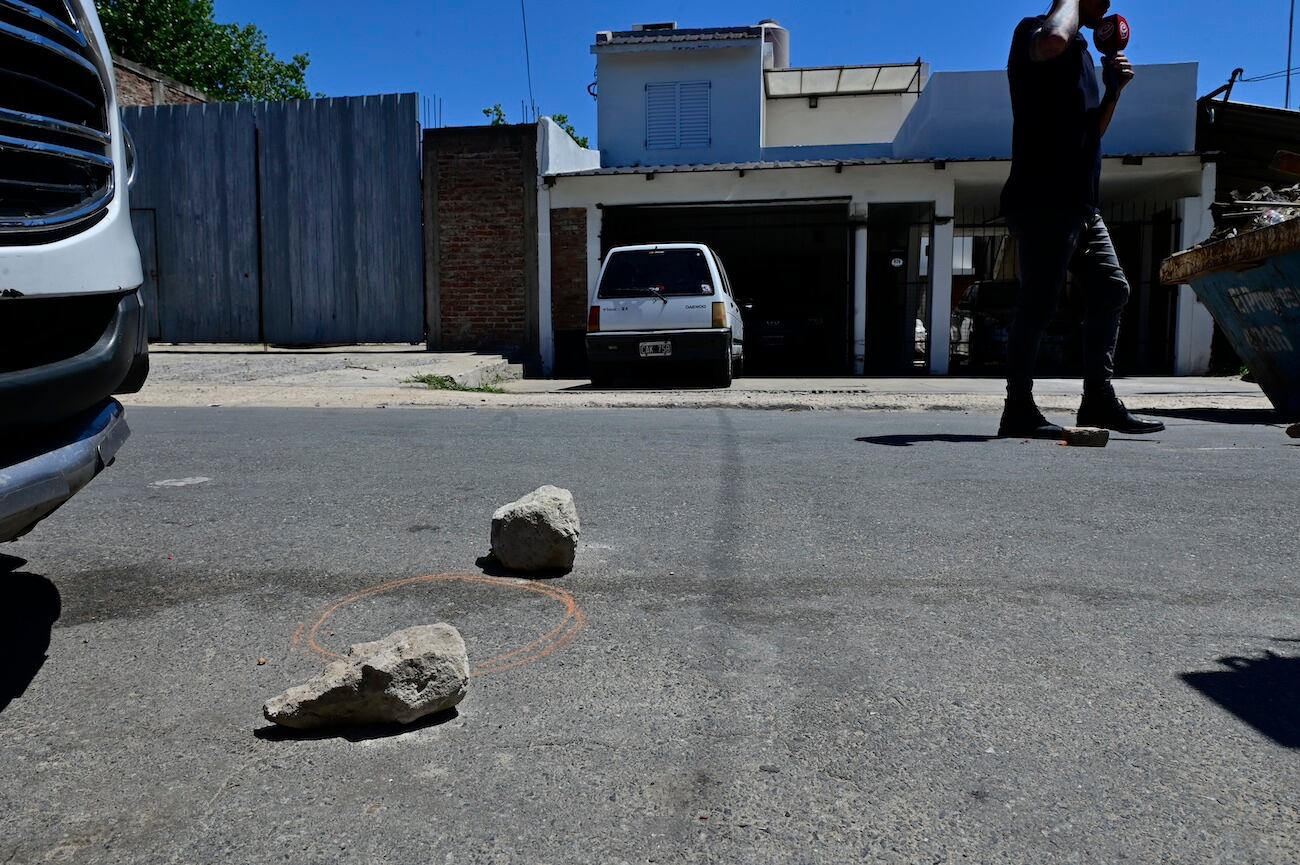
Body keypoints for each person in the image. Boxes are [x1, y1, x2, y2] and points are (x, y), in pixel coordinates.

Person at [998, 0, 1165, 437]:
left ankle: (1097, 402)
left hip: (1080, 202)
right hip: (1041, 199)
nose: (1107, 4)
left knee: (1112, 289)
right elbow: (1053, 40)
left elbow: (1093, 131)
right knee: (1039, 302)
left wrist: (1113, 92)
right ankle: (1017, 411)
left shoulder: (1086, 56)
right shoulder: (1033, 33)